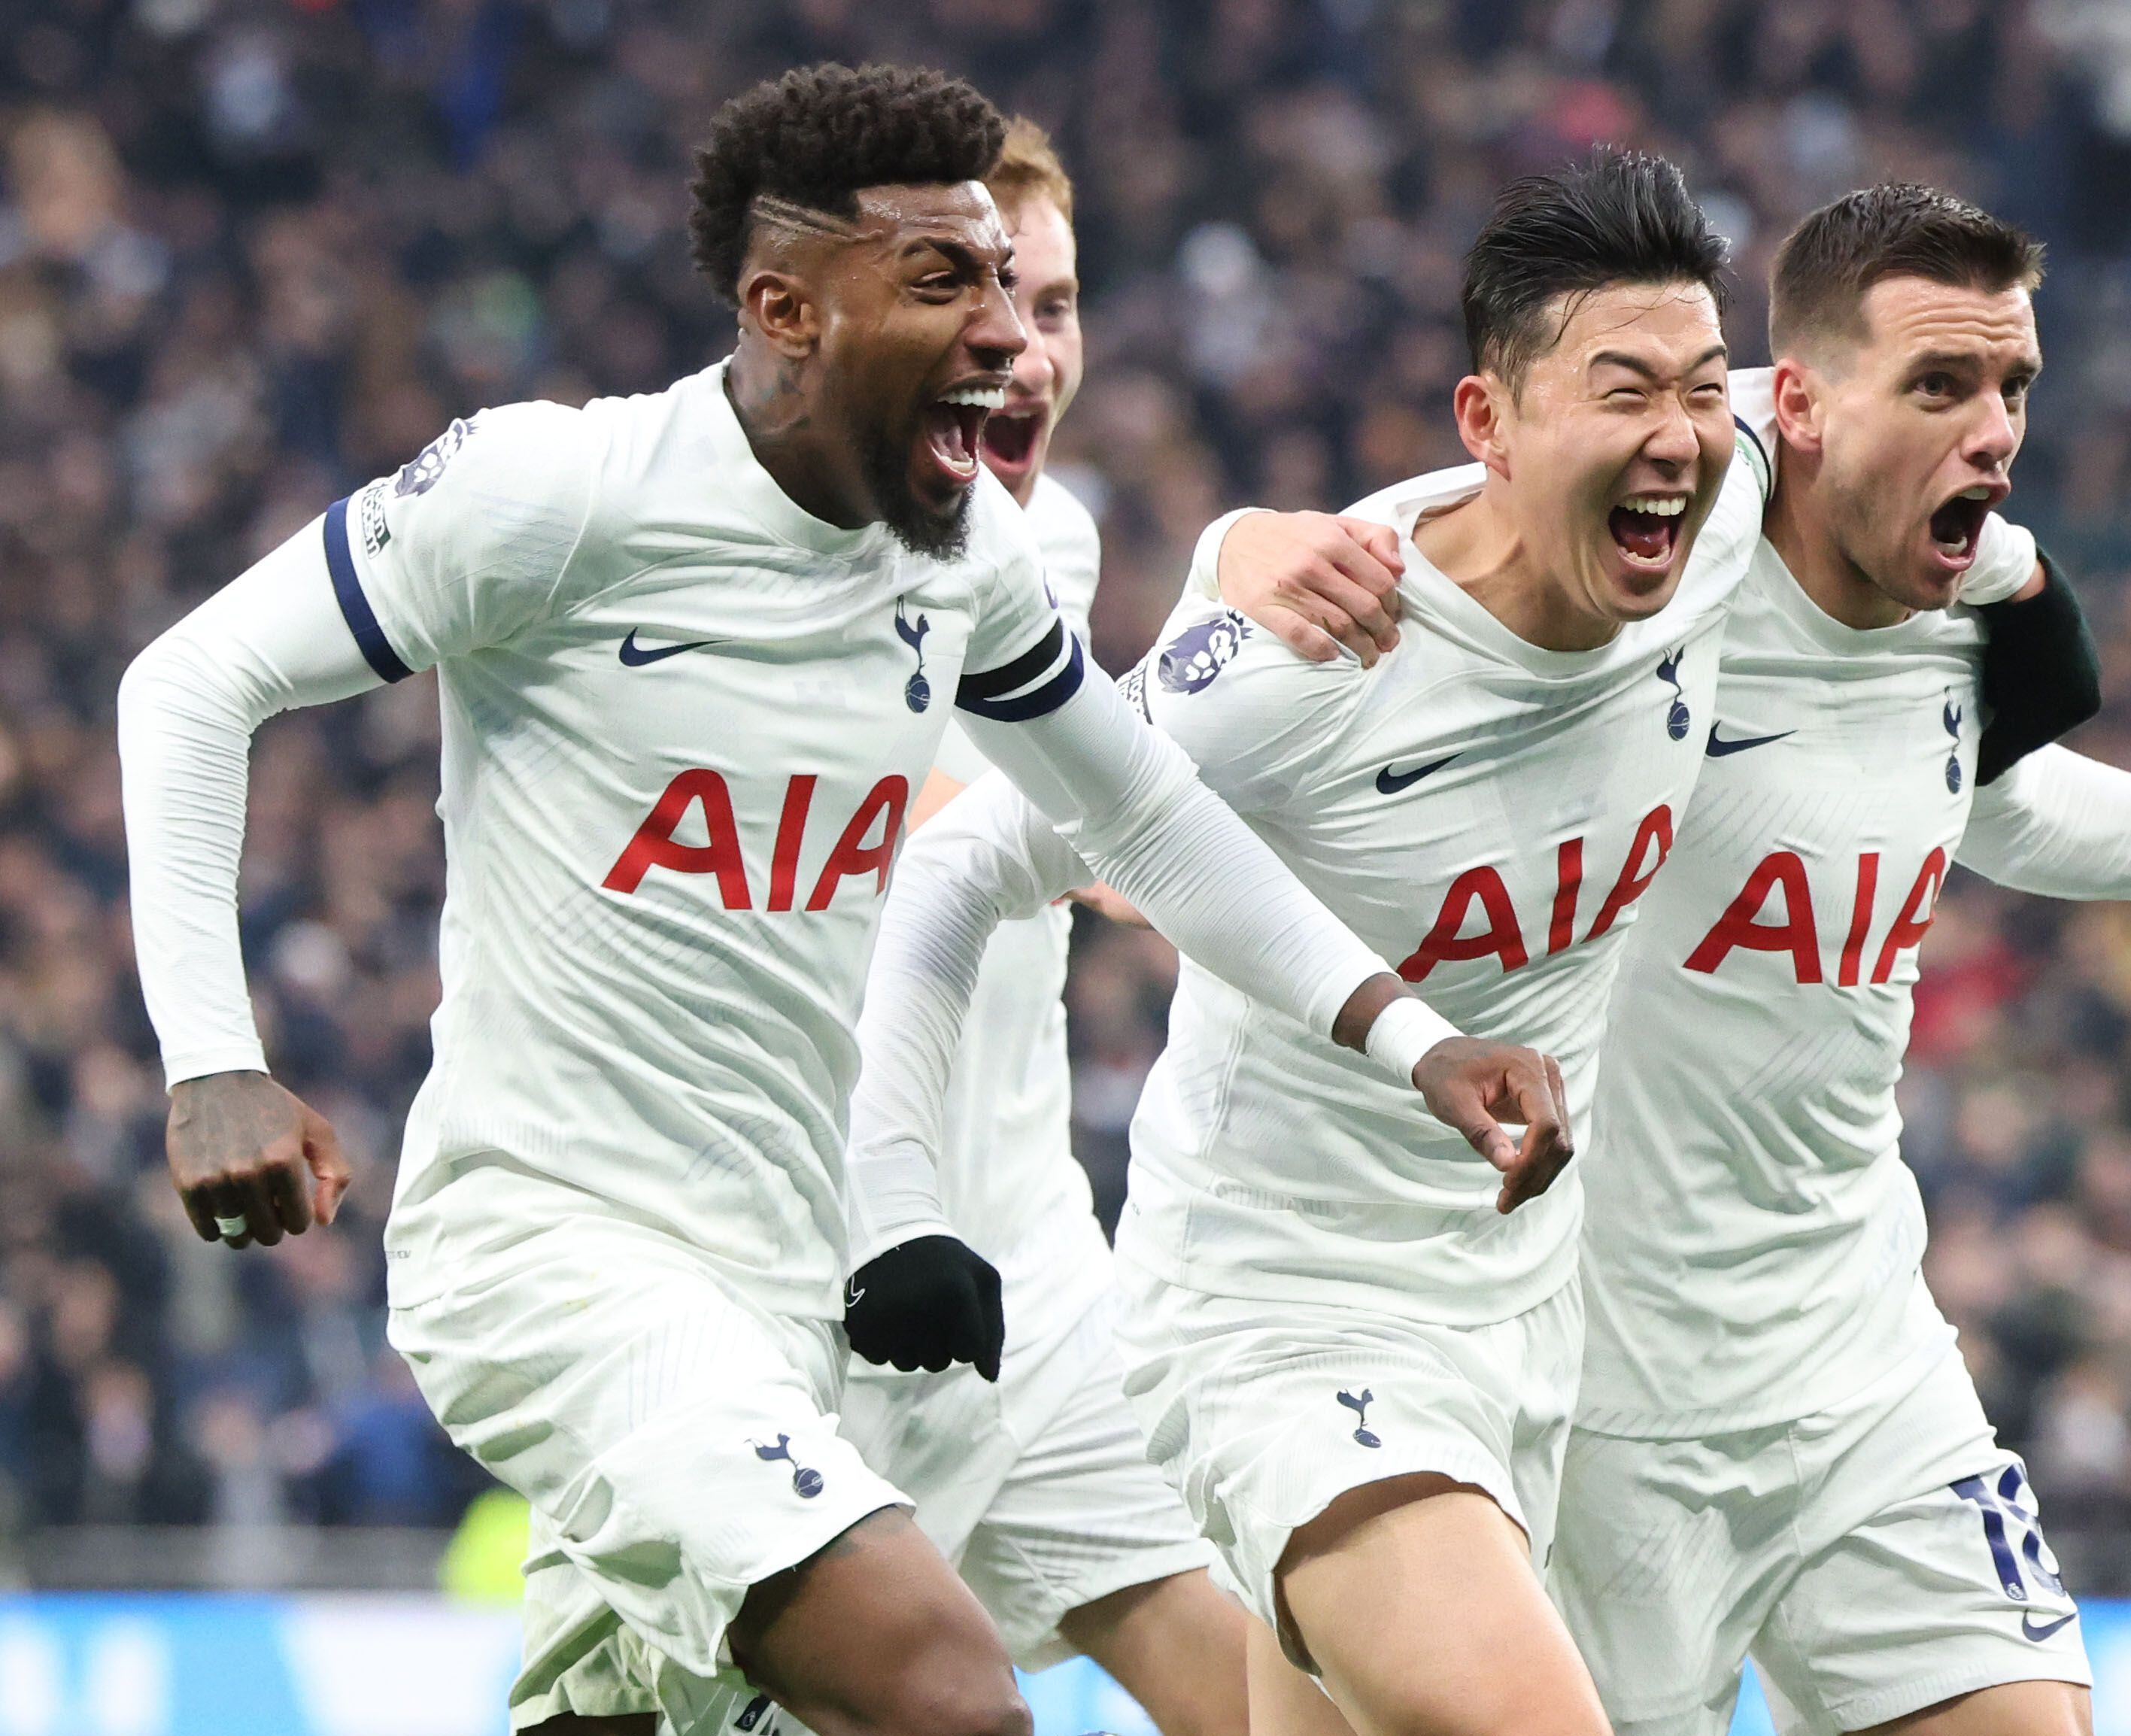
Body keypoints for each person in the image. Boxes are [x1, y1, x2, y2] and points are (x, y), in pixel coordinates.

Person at [116, 62, 1562, 1736]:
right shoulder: (560, 493)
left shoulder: (970, 557)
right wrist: (209, 1051)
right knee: (945, 1690)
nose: (1010, 339)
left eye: (1023, 295)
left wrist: (1412, 1039)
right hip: (561, 1246)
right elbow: (190, 680)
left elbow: (1152, 816)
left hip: (802, 1281)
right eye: (948, 284)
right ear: (784, 307)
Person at [1210, 184, 2131, 1736]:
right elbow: (1436, 536)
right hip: (1603, 1399)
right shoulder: (1643, 593)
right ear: (1787, 403)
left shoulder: (1950, 600)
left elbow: (1980, 796)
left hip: (1862, 1357)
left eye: (2012, 390)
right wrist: (1232, 547)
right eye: (1938, 386)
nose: (1991, 428)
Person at [851, 150, 1773, 1736]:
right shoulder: (1293, 663)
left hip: (1523, 1307)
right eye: (1624, 392)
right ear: (1484, 423)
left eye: (1700, 391)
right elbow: (955, 871)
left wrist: (2023, 593)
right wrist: (896, 1206)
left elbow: (1870, 401)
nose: (1676, 437)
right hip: (1280, 1316)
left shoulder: (1721, 505)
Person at [831, 119, 1251, 1736]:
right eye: (983, 297)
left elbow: (1080, 800)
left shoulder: (1047, 543)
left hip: (1032, 1281)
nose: (1024, 353)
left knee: (1275, 1692)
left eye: (1057, 305)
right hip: (794, 1289)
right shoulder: (756, 561)